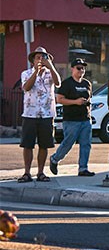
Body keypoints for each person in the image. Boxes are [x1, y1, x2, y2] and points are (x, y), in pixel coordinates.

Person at [18, 46, 61, 183]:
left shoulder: (50, 73)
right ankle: (27, 172)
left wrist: (51, 67)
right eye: (38, 57)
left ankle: (41, 172)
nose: (41, 60)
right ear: (33, 61)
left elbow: (58, 82)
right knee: (28, 144)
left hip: (47, 114)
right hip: (30, 114)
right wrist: (36, 72)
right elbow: (26, 87)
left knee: (44, 144)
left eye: (44, 57)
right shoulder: (26, 73)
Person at [49, 58, 95, 177]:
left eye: (83, 68)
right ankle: (54, 159)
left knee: (86, 144)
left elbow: (89, 98)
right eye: (79, 68)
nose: (81, 70)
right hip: (71, 119)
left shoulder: (87, 84)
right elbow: (59, 99)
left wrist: (86, 103)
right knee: (68, 143)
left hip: (85, 118)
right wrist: (75, 102)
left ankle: (83, 168)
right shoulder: (67, 83)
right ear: (72, 69)